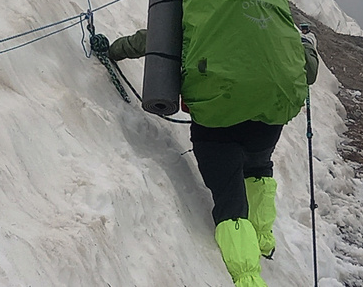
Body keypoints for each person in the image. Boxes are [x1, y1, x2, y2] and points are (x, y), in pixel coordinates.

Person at [107, 26, 319, 287]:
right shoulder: (268, 14)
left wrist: (114, 50)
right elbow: (309, 69)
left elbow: (156, 37)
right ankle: (263, 239)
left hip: (216, 123)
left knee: (231, 203)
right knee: (258, 168)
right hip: (266, 122)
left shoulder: (204, 10)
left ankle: (248, 279)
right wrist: (307, 41)